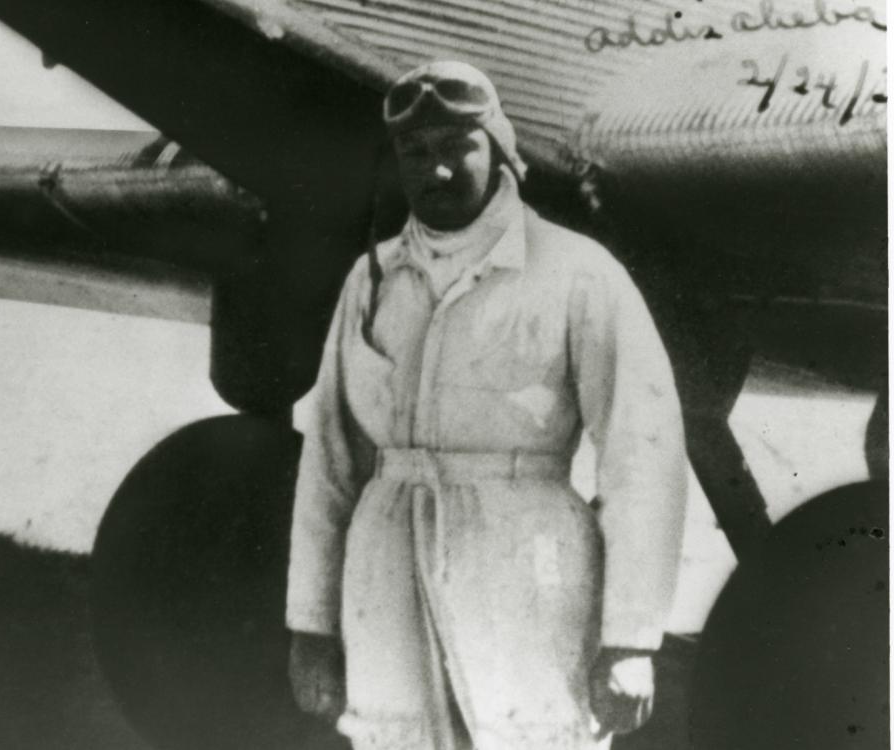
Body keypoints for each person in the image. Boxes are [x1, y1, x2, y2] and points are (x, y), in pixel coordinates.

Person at [286, 60, 688, 750]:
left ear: (499, 148)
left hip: (528, 574)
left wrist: (629, 640)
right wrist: (311, 625)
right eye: (416, 152)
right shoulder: (372, 280)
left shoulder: (577, 272)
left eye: (455, 148)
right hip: (386, 576)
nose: (436, 171)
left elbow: (642, 453)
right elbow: (329, 457)